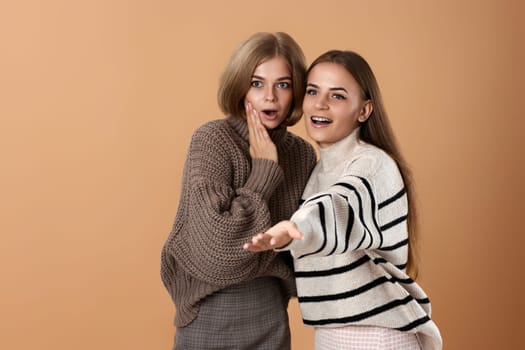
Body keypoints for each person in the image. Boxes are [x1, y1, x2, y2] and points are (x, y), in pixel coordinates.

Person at [244, 50, 443, 350]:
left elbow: (340, 206)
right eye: (313, 91)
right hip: (333, 334)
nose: (320, 104)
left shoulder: (371, 164)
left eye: (337, 96)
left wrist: (295, 229)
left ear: (363, 111)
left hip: (377, 336)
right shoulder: (319, 170)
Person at [160, 32, 317, 349]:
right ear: (240, 86)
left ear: (297, 91)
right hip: (210, 313)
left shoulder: (301, 154)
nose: (270, 97)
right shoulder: (213, 139)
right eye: (257, 83)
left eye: (283, 84)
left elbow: (305, 246)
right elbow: (215, 252)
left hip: (269, 313)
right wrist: (264, 169)